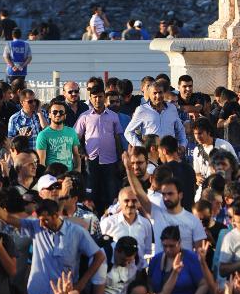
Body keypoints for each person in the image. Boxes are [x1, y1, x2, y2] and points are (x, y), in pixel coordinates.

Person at [75, 82, 124, 216]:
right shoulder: (84, 116)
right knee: (91, 193)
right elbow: (75, 137)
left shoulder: (113, 116)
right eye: (94, 97)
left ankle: (110, 218)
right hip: (91, 160)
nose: (98, 99)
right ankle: (92, 219)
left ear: (104, 97)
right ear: (90, 98)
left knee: (111, 192)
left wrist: (120, 158)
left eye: (100, 96)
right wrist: (82, 153)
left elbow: (117, 137)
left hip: (110, 160)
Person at [148, 225, 207, 294]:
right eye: (165, 246)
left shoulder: (191, 258)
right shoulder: (156, 260)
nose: (168, 250)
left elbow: (204, 284)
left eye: (172, 246)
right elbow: (150, 283)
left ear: (179, 243)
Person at [124, 80, 187, 150]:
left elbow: (180, 129)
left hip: (170, 153)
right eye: (155, 93)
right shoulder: (142, 110)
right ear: (149, 95)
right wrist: (141, 147)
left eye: (160, 92)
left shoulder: (172, 108)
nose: (158, 96)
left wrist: (183, 145)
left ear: (164, 93)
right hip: (152, 154)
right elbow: (128, 132)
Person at [36, 99, 81, 172]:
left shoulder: (71, 132)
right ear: (49, 115)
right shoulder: (43, 135)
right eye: (54, 112)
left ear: (65, 115)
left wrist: (78, 170)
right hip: (52, 176)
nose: (58, 114)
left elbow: (76, 155)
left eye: (61, 112)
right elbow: (41, 162)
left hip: (68, 175)